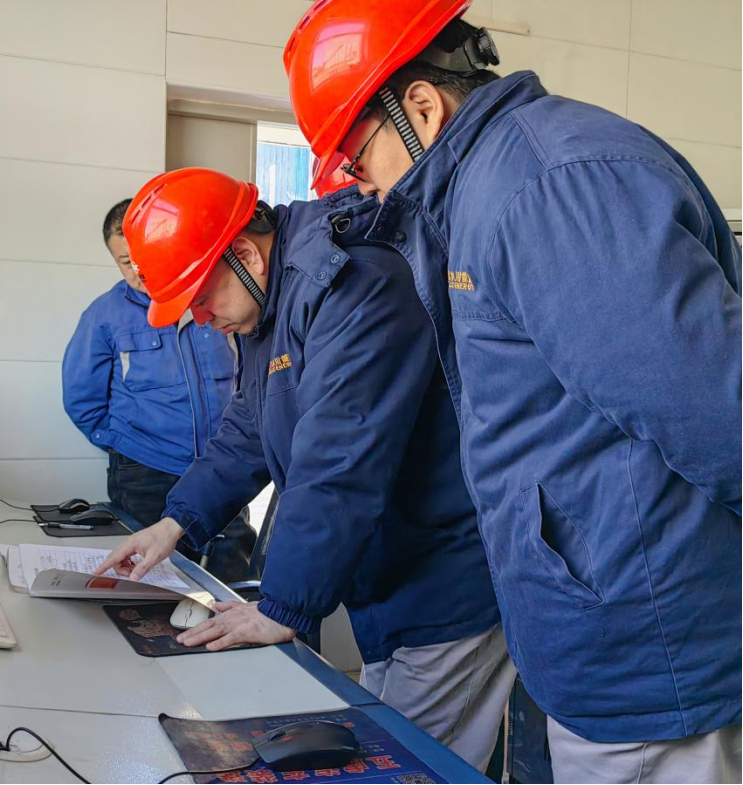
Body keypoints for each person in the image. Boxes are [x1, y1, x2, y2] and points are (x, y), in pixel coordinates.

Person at [284, 2, 742, 782]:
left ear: (420, 107)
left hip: (647, 645)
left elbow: (712, 408)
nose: (364, 189)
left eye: (358, 162)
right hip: (598, 622)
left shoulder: (544, 186)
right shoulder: (486, 187)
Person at [97, 168, 514, 770]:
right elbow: (248, 425)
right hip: (390, 574)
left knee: (415, 765)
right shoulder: (273, 302)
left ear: (245, 255)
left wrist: (282, 606)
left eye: (202, 299)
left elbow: (338, 458)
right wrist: (175, 522)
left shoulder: (356, 283)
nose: (203, 320)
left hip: (445, 580)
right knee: (387, 741)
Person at [62, 200, 255, 581]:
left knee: (232, 579)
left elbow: (247, 379)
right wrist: (126, 446)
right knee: (149, 582)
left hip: (219, 468)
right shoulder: (104, 315)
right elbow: (81, 400)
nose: (139, 270)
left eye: (144, 256)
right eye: (125, 261)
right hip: (145, 474)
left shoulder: (216, 299)